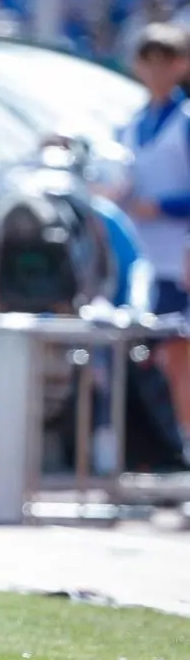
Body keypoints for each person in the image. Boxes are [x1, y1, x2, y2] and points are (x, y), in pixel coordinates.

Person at [117, 24, 190, 438]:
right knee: (148, 357)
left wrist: (160, 207)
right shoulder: (130, 124)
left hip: (180, 261)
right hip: (141, 260)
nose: (156, 71)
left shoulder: (185, 122)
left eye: (165, 62)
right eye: (148, 62)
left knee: (179, 357)